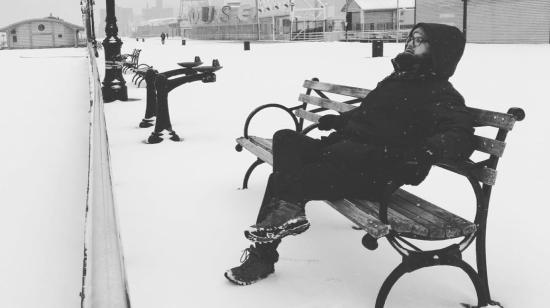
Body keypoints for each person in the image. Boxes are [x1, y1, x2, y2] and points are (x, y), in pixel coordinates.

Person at [225, 23, 475, 286]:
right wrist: (340, 122)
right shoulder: (398, 81)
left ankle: (264, 255)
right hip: (345, 156)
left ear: (439, 50)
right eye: (411, 37)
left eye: (420, 40)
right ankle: (290, 208)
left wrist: (426, 150)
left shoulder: (441, 94)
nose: (410, 43)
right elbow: (370, 115)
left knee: (283, 181)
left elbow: (461, 134)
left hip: (376, 173)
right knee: (285, 138)